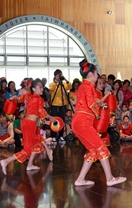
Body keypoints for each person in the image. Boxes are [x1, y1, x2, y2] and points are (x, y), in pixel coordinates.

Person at [72, 59, 126, 187]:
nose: (98, 76)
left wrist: (101, 104)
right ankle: (110, 178)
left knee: (93, 150)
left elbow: (91, 102)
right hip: (83, 122)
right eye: (96, 73)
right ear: (90, 74)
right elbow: (91, 104)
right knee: (101, 146)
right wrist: (98, 114)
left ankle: (80, 179)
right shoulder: (88, 86)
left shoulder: (84, 86)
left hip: (79, 122)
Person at [0, 79, 55, 175]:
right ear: (34, 88)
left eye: (42, 87)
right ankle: (6, 161)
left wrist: (14, 98)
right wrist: (51, 118)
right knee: (27, 149)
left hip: (30, 123)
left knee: (37, 143)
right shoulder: (39, 99)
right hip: (30, 124)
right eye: (40, 87)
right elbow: (41, 111)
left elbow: (19, 99)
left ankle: (30, 165)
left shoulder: (28, 96)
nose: (42, 89)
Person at [49, 69, 72, 142]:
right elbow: (51, 89)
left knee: (62, 120)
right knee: (54, 120)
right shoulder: (52, 84)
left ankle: (61, 135)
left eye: (60, 75)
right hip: (54, 104)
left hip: (62, 104)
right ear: (55, 76)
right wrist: (56, 83)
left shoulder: (64, 84)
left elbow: (69, 87)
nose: (59, 76)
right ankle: (53, 136)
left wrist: (65, 79)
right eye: (58, 75)